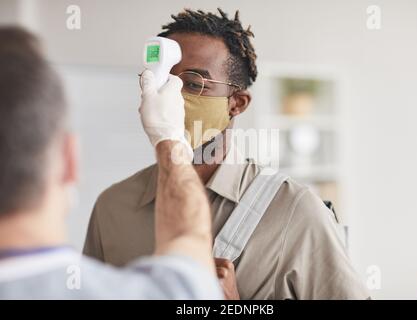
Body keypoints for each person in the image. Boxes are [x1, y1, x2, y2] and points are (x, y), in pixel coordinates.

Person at [84, 8, 369, 299]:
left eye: (194, 84)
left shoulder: (295, 211)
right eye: (162, 82)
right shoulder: (112, 207)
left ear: (237, 103)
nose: (170, 98)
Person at [0, 26, 222, 299]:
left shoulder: (287, 204)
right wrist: (169, 139)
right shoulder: (163, 292)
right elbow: (189, 244)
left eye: (196, 83)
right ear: (70, 160)